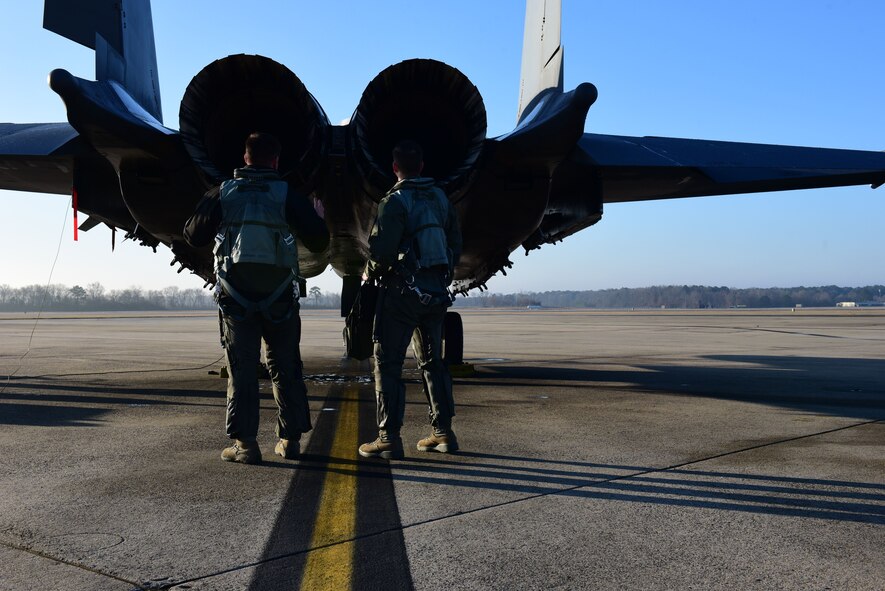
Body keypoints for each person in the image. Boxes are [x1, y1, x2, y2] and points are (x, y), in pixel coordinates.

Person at [184, 132, 329, 464]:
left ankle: (245, 444)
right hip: (280, 299)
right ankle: (290, 440)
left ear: (245, 157)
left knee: (242, 369)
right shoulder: (287, 194)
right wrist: (317, 217)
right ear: (275, 161)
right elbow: (320, 242)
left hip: (236, 300)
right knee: (286, 367)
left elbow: (193, 235)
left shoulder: (222, 192)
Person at [358, 140, 462, 460]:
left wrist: (369, 273)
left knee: (388, 363)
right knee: (433, 362)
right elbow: (454, 243)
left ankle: (388, 437)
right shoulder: (441, 199)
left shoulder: (394, 202)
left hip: (402, 296)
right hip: (435, 294)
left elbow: (383, 252)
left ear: (394, 168)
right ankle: (443, 433)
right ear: (422, 167)